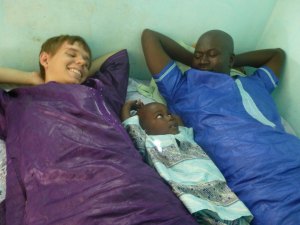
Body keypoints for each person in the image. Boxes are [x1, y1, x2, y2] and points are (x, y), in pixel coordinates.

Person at [0, 35, 199, 225]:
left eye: (86, 62)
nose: (81, 63)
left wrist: (78, 72)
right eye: (71, 54)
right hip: (59, 193)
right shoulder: (17, 102)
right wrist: (32, 78)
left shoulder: (97, 90)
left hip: (126, 181)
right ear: (45, 57)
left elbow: (118, 56)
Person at [141, 29, 300, 225]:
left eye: (212, 54)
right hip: (256, 182)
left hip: (293, 158)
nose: (203, 61)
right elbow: (150, 37)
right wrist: (196, 59)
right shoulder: (180, 87)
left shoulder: (256, 83)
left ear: (231, 60)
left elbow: (277, 54)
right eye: (199, 55)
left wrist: (232, 61)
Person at [121, 100, 253, 225]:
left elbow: (178, 119)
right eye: (159, 116)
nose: (169, 117)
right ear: (145, 129)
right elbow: (130, 125)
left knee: (238, 218)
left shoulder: (184, 135)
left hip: (221, 192)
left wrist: (165, 114)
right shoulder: (149, 142)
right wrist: (129, 106)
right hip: (194, 197)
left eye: (168, 114)